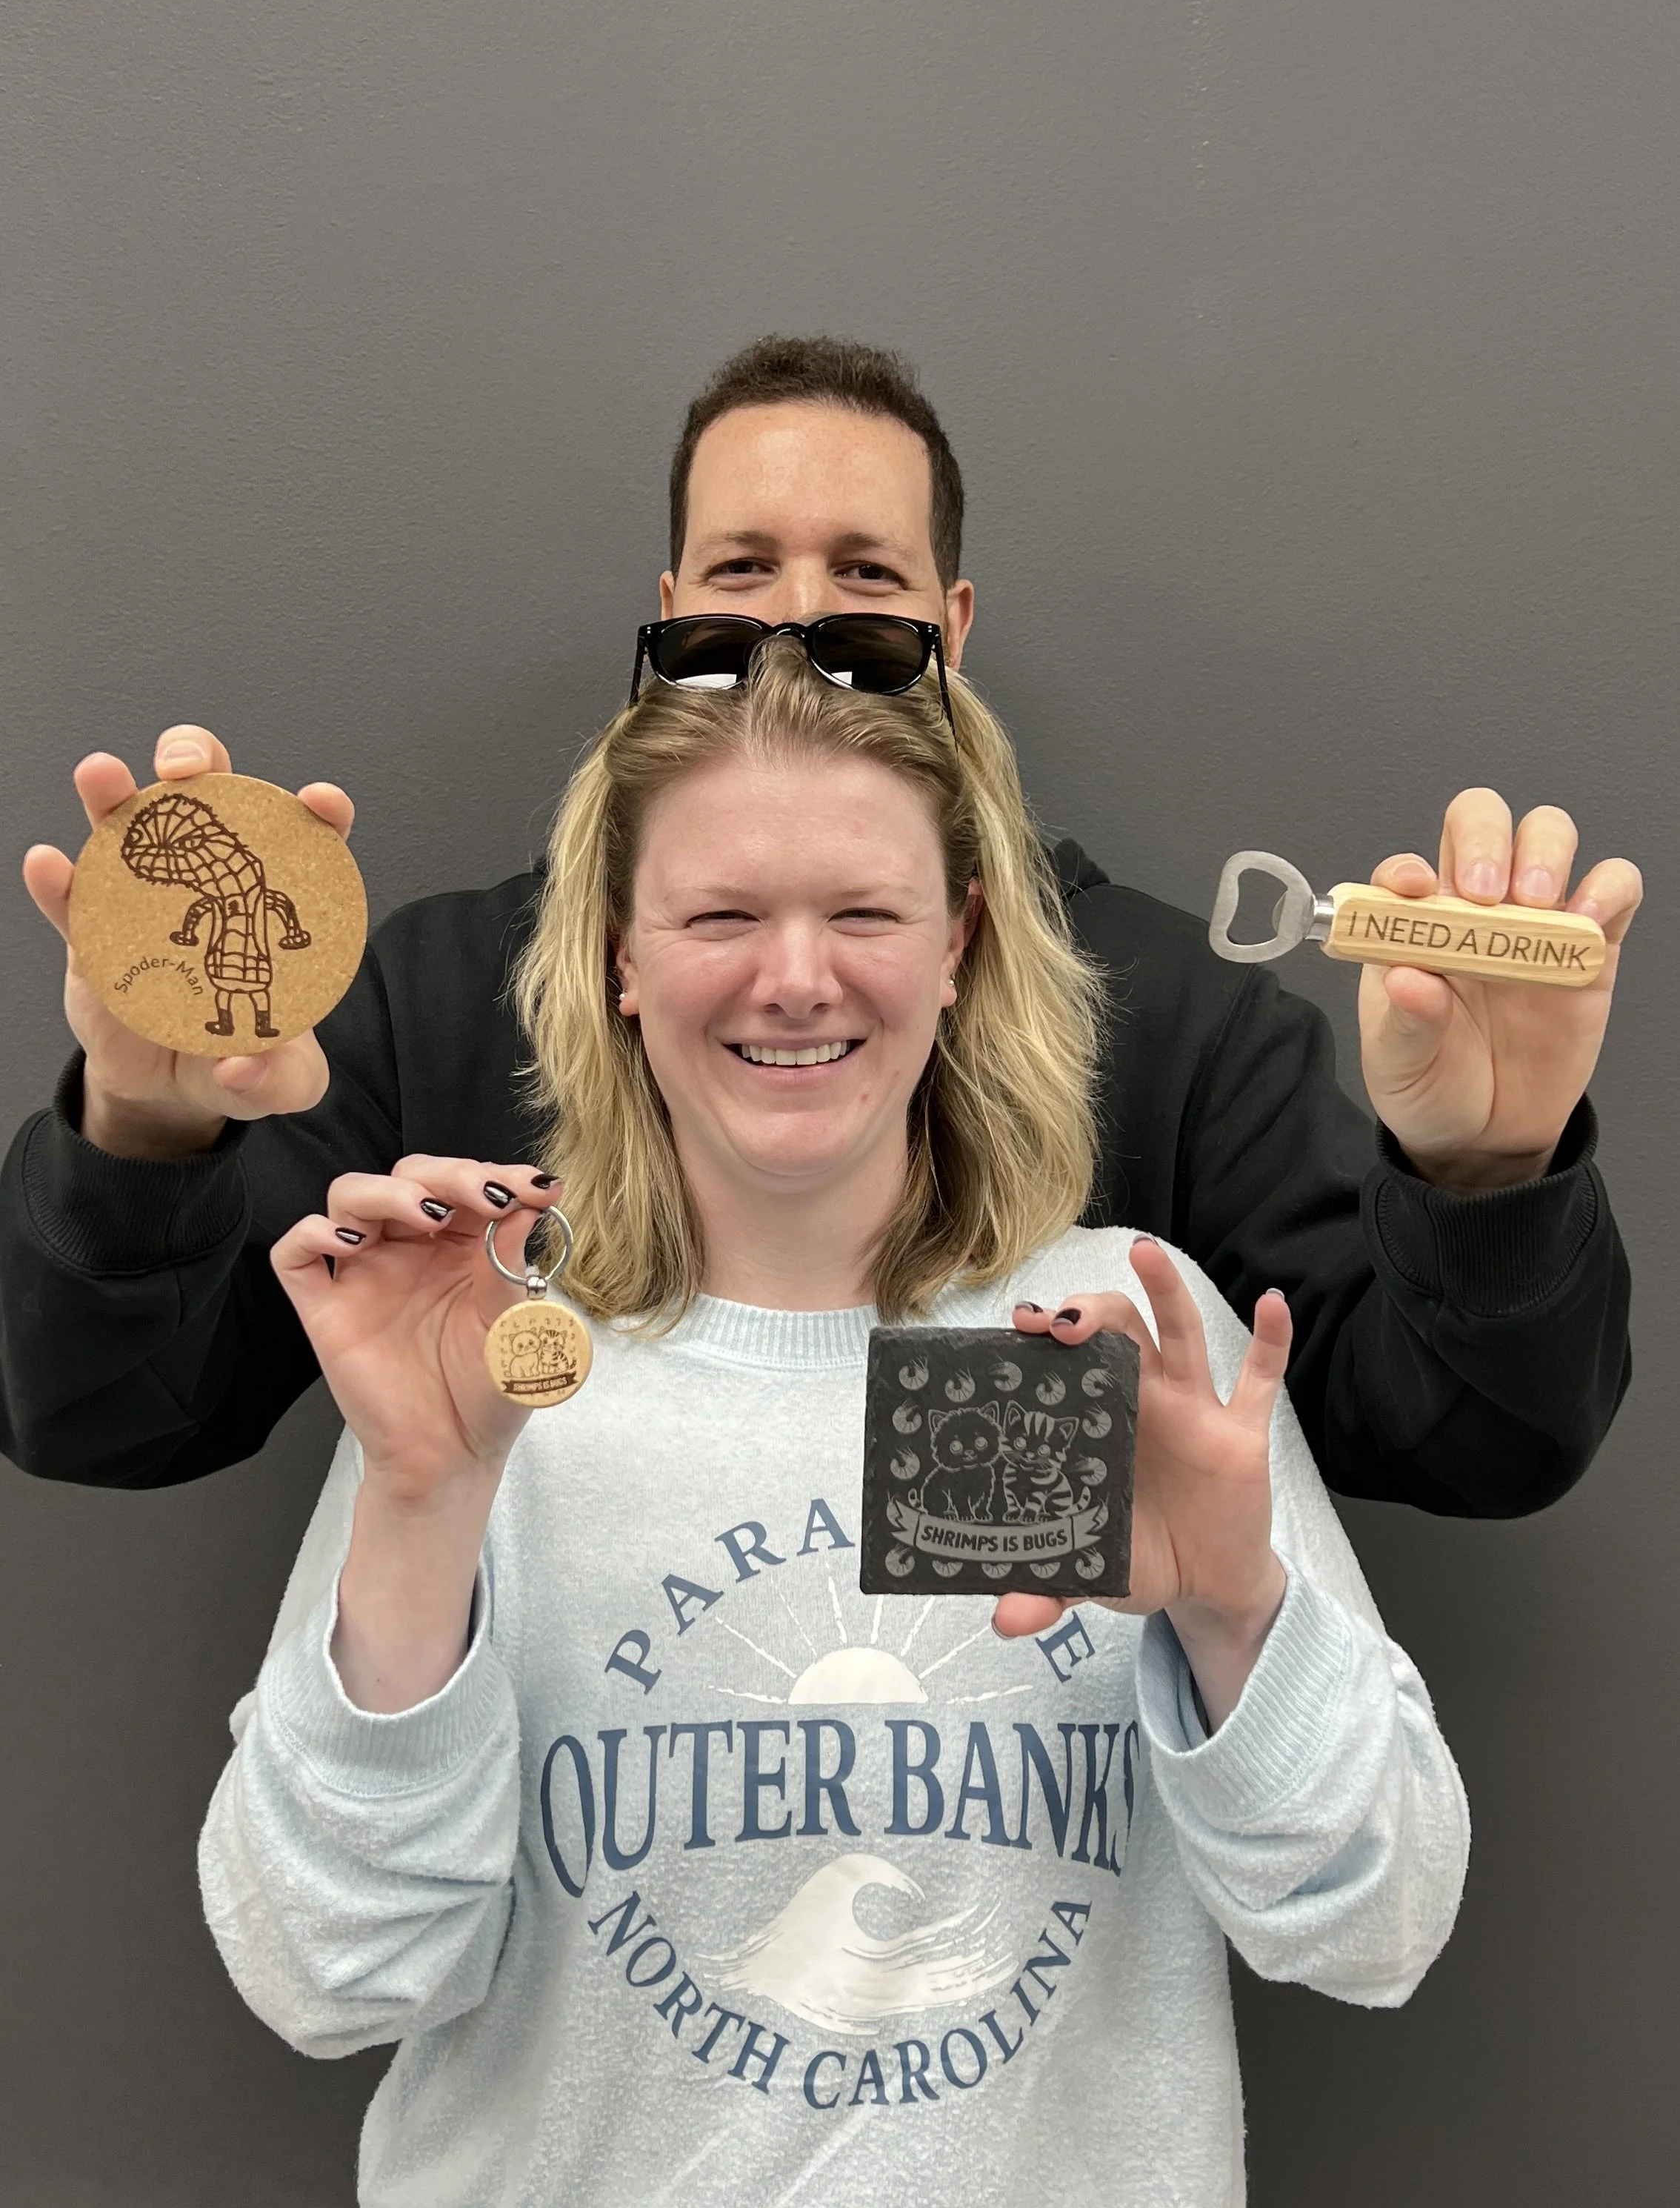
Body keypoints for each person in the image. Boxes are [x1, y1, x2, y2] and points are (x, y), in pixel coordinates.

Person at [199, 634, 1470, 2208]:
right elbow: (324, 1972)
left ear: (958, 943)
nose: (795, 975)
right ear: (618, 958)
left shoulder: (1100, 1336)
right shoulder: (500, 1365)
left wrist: (1235, 1615)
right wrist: (418, 1504)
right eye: (721, 912)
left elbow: (1374, 1925)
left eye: (859, 910)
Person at [2, 337, 1641, 1509]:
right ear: (620, 969)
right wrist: (144, 1137)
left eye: (865, 577)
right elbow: (105, 1422)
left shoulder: (1178, 1025)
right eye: (743, 571)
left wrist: (1486, 1190)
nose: (794, 621)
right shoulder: (432, 998)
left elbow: (1465, 1443)